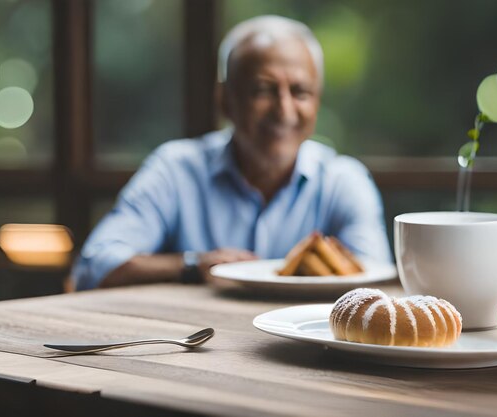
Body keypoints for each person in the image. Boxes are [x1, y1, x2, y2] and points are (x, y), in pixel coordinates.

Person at [72, 15, 391, 290]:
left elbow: (377, 285)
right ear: (225, 100)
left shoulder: (343, 180)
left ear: (317, 103)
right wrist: (193, 266)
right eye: (263, 90)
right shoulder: (175, 169)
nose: (284, 110)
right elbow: (92, 268)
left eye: (300, 92)